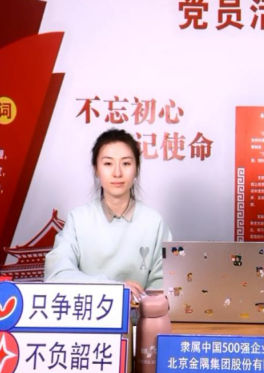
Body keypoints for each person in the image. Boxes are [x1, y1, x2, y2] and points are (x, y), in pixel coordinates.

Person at [44, 128, 172, 300]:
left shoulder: (154, 222)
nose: (117, 173)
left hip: (138, 315)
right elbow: (57, 275)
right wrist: (111, 288)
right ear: (96, 170)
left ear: (136, 169)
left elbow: (165, 286)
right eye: (108, 164)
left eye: (126, 163)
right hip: (89, 313)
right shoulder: (78, 219)